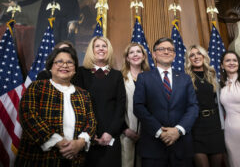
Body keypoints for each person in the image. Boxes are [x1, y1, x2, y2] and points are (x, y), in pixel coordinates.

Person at [15, 47, 96, 166]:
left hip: (75, 160)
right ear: (50, 67)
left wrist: (80, 143)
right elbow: (29, 117)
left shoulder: (83, 94)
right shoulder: (37, 87)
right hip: (40, 159)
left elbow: (91, 122)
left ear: (74, 69)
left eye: (69, 62)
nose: (65, 65)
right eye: (59, 61)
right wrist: (59, 142)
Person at [133, 37, 199, 167]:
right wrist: (159, 131)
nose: (166, 52)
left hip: (181, 146)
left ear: (174, 55)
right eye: (162, 49)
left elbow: (193, 107)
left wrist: (178, 130)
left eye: (170, 49)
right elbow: (138, 107)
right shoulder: (143, 78)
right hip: (153, 147)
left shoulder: (185, 78)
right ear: (154, 54)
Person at [72, 36, 126, 167]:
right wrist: (90, 133)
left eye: (104, 46)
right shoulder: (80, 73)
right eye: (97, 46)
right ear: (91, 50)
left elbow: (120, 106)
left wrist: (110, 132)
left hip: (111, 136)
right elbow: (77, 106)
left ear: (109, 50)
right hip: (86, 135)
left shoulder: (117, 75)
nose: (101, 49)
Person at [3, 0, 79, 52]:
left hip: (61, 24)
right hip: (45, 23)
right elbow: (32, 0)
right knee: (44, 46)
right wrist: (16, 3)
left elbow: (75, 8)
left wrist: (72, 21)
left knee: (59, 46)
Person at [184, 45, 226, 167]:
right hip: (196, 126)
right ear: (188, 59)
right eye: (192, 55)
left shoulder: (213, 75)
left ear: (204, 56)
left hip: (214, 125)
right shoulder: (185, 78)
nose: (196, 57)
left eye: (199, 53)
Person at [121, 43, 150, 167]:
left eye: (138, 51)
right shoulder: (120, 78)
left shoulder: (151, 77)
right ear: (127, 58)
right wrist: (124, 129)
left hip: (148, 133)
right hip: (126, 131)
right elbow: (116, 107)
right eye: (131, 52)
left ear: (143, 56)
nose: (135, 54)